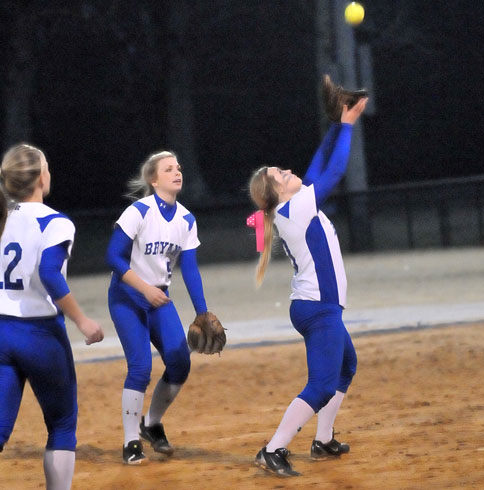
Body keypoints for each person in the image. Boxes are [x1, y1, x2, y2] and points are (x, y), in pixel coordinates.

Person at [248, 93, 368, 477]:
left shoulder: (291, 204)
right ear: (278, 193)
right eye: (280, 175)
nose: (287, 171)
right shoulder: (296, 207)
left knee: (346, 365)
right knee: (320, 385)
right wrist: (347, 126)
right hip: (318, 308)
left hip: (314, 306)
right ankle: (274, 448)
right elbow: (332, 173)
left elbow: (317, 168)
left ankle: (323, 439)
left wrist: (335, 124)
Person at [106, 150, 223, 465]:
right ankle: (131, 441)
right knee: (141, 368)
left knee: (179, 362)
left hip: (159, 299)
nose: (177, 172)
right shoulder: (138, 212)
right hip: (128, 295)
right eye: (168, 168)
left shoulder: (186, 218)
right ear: (153, 179)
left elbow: (191, 269)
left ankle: (151, 424)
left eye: (179, 167)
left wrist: (201, 312)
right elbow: (113, 257)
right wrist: (144, 288)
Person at [0, 144, 104, 490]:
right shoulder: (55, 222)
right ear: (41, 177)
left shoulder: (4, 218)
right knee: (61, 425)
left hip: (1, 331)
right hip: (39, 333)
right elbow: (49, 272)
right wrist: (82, 321)